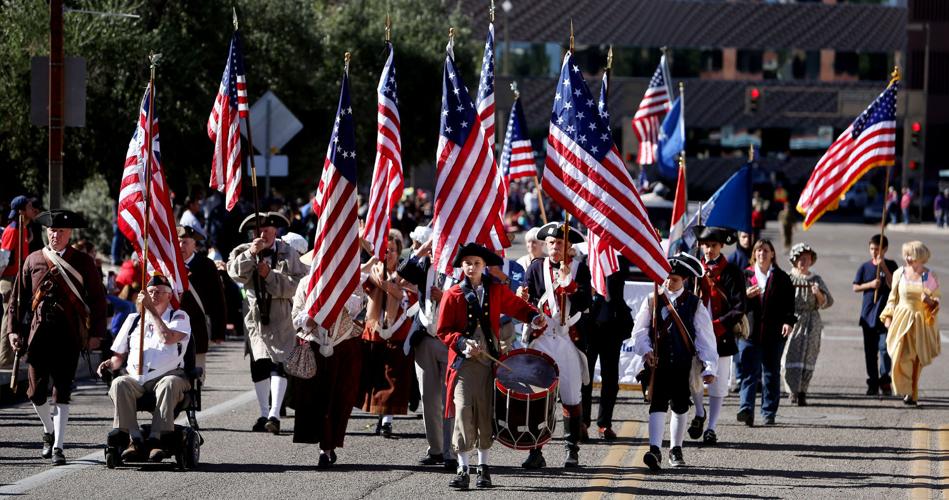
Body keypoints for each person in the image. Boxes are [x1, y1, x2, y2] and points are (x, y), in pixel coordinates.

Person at [4, 209, 108, 465]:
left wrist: (96, 333)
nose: (55, 235)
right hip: (38, 335)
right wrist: (13, 330)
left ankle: (59, 446)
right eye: (52, 230)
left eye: (61, 231)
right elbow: (18, 300)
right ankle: (49, 431)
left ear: (70, 233)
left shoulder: (83, 262)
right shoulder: (32, 260)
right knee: (35, 392)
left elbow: (97, 300)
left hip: (69, 335)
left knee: (62, 391)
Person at [437, 242, 544, 489]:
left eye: (476, 263)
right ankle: (463, 468)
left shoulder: (495, 290)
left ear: (484, 266)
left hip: (489, 361)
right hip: (464, 363)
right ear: (461, 266)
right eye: (467, 263)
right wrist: (462, 342)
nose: (472, 267)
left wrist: (533, 316)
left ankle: (483, 468)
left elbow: (516, 306)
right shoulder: (452, 294)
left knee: (485, 413)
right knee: (463, 411)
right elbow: (443, 331)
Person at [632, 253, 718, 471]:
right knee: (657, 404)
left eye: (675, 279)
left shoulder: (694, 304)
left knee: (680, 406)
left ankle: (675, 449)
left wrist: (709, 365)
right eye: (667, 277)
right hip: (658, 364)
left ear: (685, 280)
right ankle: (654, 449)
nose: (669, 282)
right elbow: (639, 331)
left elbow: (705, 338)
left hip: (682, 364)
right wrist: (646, 350)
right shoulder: (652, 298)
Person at [290, 248, 372, 468]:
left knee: (341, 398)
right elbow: (296, 317)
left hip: (345, 345)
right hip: (316, 345)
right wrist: (312, 315)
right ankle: (324, 448)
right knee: (319, 398)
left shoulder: (347, 282)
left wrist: (336, 297)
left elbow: (357, 307)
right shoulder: (306, 284)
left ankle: (331, 443)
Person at [519, 221, 591, 468]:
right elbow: (526, 301)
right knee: (538, 395)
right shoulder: (536, 267)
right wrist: (524, 300)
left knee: (571, 395)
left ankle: (572, 450)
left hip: (568, 338)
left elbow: (586, 303)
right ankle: (535, 450)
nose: (554, 247)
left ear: (568, 245)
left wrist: (569, 285)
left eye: (560, 243)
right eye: (551, 243)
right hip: (542, 336)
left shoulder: (580, 269)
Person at [227, 212, 307, 434]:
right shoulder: (243, 250)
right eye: (258, 231)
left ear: (275, 232)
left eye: (267, 231)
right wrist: (251, 254)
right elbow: (234, 273)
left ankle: (274, 413)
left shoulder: (288, 253)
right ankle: (263, 414)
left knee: (278, 363)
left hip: (281, 316)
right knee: (259, 364)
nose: (262, 234)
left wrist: (270, 276)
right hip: (255, 317)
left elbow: (298, 285)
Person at [98, 273, 191, 462]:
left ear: (169, 296)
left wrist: (152, 312)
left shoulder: (179, 316)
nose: (153, 296)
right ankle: (134, 438)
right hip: (137, 378)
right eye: (149, 292)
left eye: (158, 292)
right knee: (119, 383)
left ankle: (158, 439)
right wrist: (110, 363)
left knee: (169, 383)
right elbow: (119, 355)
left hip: (168, 375)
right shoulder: (133, 319)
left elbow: (167, 338)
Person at [398, 226, 458, 470]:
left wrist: (444, 296)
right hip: (425, 338)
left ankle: (451, 450)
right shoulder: (425, 266)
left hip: (449, 341)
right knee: (429, 397)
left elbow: (468, 299)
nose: (436, 250)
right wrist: (421, 250)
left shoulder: (458, 270)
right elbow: (403, 272)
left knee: (449, 399)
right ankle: (435, 448)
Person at [690, 226, 747, 445]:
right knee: (694, 378)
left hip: (720, 334)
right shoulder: (695, 269)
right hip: (696, 333)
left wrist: (717, 326)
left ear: (721, 246)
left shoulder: (732, 272)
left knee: (719, 382)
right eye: (705, 245)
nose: (709, 250)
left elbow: (738, 307)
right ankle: (698, 412)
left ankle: (711, 427)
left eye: (713, 246)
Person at [359, 229, 417, 437]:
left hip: (398, 332)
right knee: (376, 378)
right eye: (384, 250)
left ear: (399, 252)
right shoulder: (373, 272)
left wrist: (389, 286)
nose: (388, 254)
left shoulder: (405, 273)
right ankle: (379, 416)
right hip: (375, 332)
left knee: (394, 378)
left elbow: (411, 296)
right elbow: (358, 282)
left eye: (392, 250)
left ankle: (387, 421)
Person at [738, 239, 796, 426]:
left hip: (774, 334)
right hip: (750, 333)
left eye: (765, 250)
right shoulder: (745, 275)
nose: (762, 253)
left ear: (772, 254)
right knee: (749, 372)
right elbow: (735, 302)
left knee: (771, 373)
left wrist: (788, 322)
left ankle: (768, 411)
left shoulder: (781, 277)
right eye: (758, 250)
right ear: (754, 254)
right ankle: (746, 409)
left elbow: (789, 304)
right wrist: (745, 296)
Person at [879, 241, 941, 406]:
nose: (906, 258)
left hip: (921, 322)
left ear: (920, 257)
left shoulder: (928, 275)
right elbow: (893, 298)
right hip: (902, 319)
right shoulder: (899, 273)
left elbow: (936, 301)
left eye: (910, 255)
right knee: (901, 356)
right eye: (905, 254)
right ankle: (905, 388)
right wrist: (888, 317)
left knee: (916, 359)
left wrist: (929, 300)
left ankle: (912, 393)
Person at [581, 254, 633, 441]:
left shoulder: (618, 261)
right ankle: (582, 422)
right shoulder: (587, 259)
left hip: (612, 326)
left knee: (610, 379)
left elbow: (614, 291)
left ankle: (604, 424)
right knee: (584, 377)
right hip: (589, 327)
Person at [783, 243, 833, 406]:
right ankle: (792, 390)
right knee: (790, 355)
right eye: (801, 258)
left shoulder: (816, 280)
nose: (804, 261)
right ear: (794, 260)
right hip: (793, 320)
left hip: (812, 321)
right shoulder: (788, 278)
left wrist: (817, 293)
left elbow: (826, 302)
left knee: (809, 356)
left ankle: (803, 391)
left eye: (808, 258)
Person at [177, 226, 226, 380]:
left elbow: (217, 299)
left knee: (197, 376)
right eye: (178, 242)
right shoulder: (169, 265)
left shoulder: (206, 265)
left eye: (185, 242)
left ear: (194, 245)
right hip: (173, 328)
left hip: (197, 327)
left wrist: (218, 331)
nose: (181, 246)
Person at [853, 234, 898, 396]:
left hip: (886, 315)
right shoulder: (864, 267)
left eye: (878, 249)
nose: (874, 252)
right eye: (872, 249)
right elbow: (855, 287)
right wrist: (870, 285)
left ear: (885, 249)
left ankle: (885, 380)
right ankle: (872, 382)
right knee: (870, 351)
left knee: (885, 348)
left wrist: (884, 267)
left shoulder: (891, 265)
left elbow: (894, 285)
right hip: (868, 315)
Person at [1, 195, 41, 368]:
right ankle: (4, 359)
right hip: (8, 279)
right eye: (30, 207)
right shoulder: (13, 230)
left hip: (16, 278)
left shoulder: (24, 229)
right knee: (7, 318)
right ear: (21, 211)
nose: (34, 210)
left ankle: (9, 357)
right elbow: (3, 258)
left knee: (14, 316)